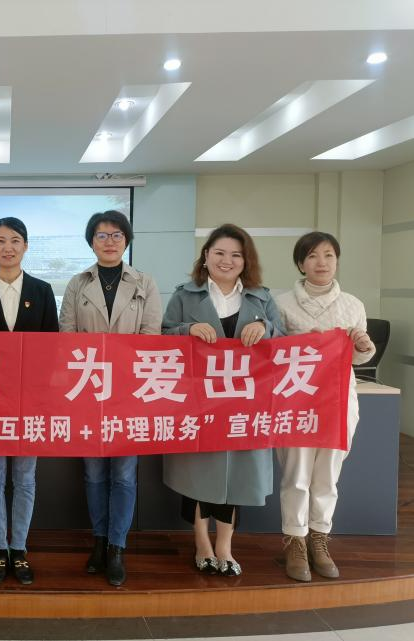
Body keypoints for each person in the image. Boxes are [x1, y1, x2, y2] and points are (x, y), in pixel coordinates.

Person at [162, 223, 285, 577]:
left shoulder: (261, 298)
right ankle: (202, 542)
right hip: (198, 402)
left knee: (236, 477)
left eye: (236, 254)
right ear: (206, 256)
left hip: (244, 404)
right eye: (219, 252)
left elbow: (284, 340)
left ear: (246, 261)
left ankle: (225, 546)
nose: (226, 260)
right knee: (198, 474)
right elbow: (162, 336)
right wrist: (186, 330)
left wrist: (265, 328)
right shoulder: (184, 295)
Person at [59, 210, 162, 586]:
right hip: (88, 391)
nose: (109, 241)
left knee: (123, 474)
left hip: (129, 393)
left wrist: (119, 367)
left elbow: (151, 337)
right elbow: (66, 336)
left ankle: (117, 546)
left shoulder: (144, 283)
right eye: (101, 235)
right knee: (93, 473)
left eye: (117, 235)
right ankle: (99, 542)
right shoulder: (77, 283)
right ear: (91, 242)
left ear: (127, 240)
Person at [0, 217, 59, 585]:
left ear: (26, 246)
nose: (8, 247)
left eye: (15, 240)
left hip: (29, 402)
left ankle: (19, 549)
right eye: (0, 241)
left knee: (25, 479)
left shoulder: (43, 290)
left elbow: (52, 350)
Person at [275, 232, 375, 582]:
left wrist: (362, 344)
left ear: (337, 261)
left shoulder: (353, 304)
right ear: (300, 263)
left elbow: (359, 357)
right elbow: (270, 352)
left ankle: (319, 538)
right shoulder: (281, 303)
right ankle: (294, 540)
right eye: (313, 256)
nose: (322, 262)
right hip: (296, 400)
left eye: (329, 255)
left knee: (328, 475)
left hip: (338, 400)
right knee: (297, 473)